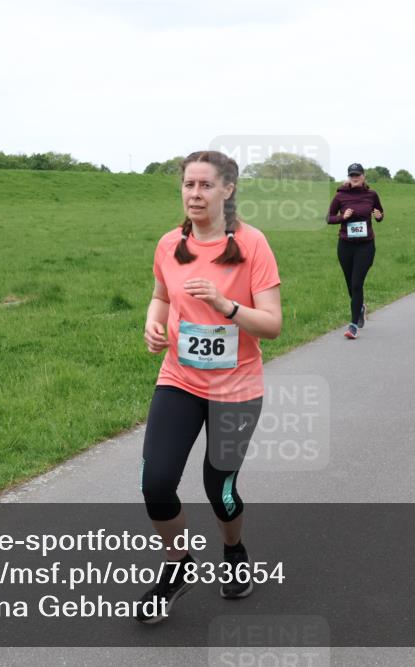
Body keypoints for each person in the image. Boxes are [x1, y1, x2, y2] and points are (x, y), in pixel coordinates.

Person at [138, 150, 282, 623]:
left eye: (205, 186)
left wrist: (225, 305)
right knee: (156, 482)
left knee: (218, 488)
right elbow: (161, 296)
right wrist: (153, 326)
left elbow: (273, 325)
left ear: (228, 190)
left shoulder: (253, 244)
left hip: (236, 388)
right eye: (188, 185)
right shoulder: (168, 244)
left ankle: (235, 553)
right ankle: (177, 567)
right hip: (179, 379)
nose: (195, 194)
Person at [326, 163, 384, 339]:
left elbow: (380, 212)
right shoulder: (340, 196)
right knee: (350, 284)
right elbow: (329, 218)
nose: (355, 177)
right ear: (348, 177)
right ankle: (359, 307)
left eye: (358, 174)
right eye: (352, 175)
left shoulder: (371, 195)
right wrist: (343, 217)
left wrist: (379, 216)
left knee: (357, 283)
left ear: (364, 176)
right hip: (345, 245)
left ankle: (352, 326)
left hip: (365, 246)